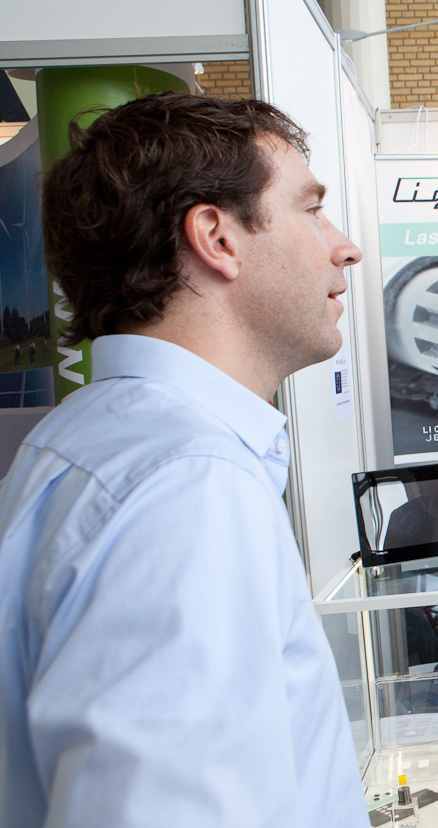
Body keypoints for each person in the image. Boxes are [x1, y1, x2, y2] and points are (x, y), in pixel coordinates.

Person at [0, 93, 368, 827]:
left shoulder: (88, 445)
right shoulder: (184, 484)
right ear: (217, 238)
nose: (343, 245)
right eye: (309, 209)